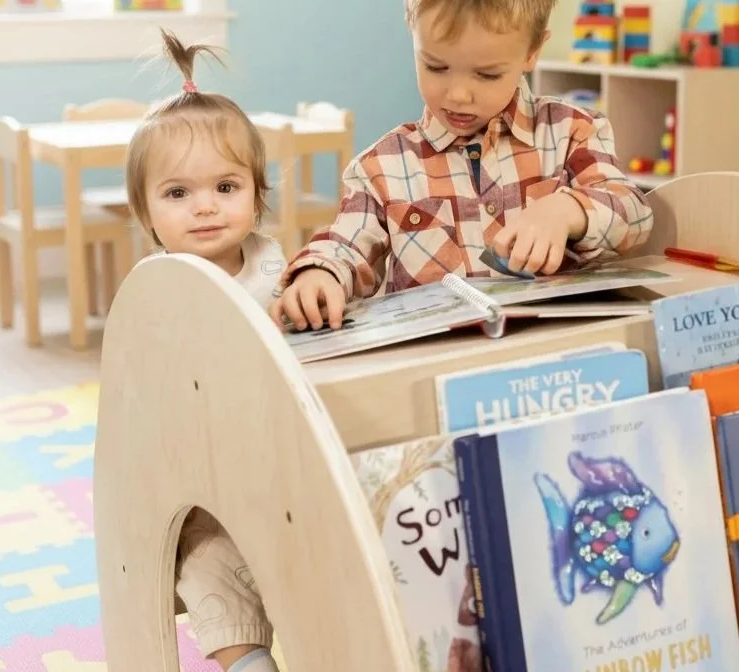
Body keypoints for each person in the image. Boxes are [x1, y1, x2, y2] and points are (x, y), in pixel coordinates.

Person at [271, 0, 653, 332]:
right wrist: (318, 273)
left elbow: (634, 214)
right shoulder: (381, 167)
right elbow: (345, 244)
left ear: (532, 51)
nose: (457, 95)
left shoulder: (573, 131)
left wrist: (567, 210)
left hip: (553, 359)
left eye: (487, 74)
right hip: (434, 368)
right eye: (436, 66)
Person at [124, 29, 284, 672]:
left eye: (226, 187)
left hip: (282, 466)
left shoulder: (277, 270)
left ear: (256, 192)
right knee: (204, 566)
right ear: (146, 214)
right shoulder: (154, 294)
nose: (205, 208)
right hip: (205, 491)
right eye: (177, 193)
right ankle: (248, 660)